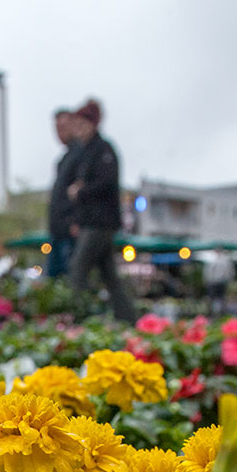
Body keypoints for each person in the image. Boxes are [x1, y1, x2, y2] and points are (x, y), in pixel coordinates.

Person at [66, 99, 136, 323]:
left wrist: (81, 190)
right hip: (91, 222)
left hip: (100, 224)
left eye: (80, 124)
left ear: (92, 124)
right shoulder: (85, 151)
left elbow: (107, 183)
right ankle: (128, 319)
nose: (77, 130)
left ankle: (80, 319)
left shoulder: (103, 149)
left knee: (78, 269)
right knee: (110, 276)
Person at [46, 109, 82, 279]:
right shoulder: (64, 159)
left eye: (63, 126)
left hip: (69, 231)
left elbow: (82, 191)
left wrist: (76, 221)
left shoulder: (80, 154)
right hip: (58, 230)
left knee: (70, 279)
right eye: (57, 128)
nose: (59, 132)